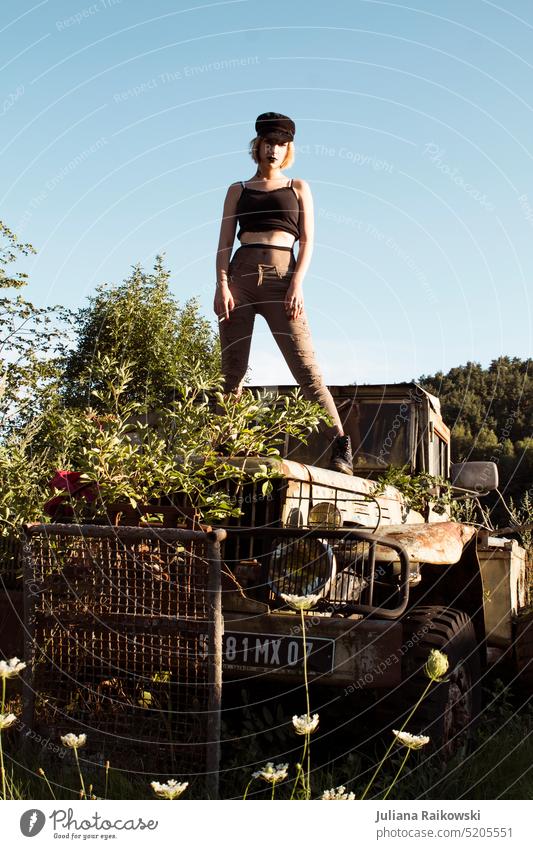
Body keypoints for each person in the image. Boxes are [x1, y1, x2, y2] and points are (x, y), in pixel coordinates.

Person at [214, 111, 353, 475]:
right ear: (256, 145)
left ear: (287, 149)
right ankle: (226, 443)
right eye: (267, 143)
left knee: (306, 371)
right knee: (231, 372)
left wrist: (296, 283)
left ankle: (340, 445)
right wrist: (222, 285)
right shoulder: (237, 190)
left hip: (283, 277)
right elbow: (223, 244)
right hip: (240, 277)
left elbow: (307, 240)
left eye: (280, 144)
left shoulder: (298, 188)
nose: (273, 150)